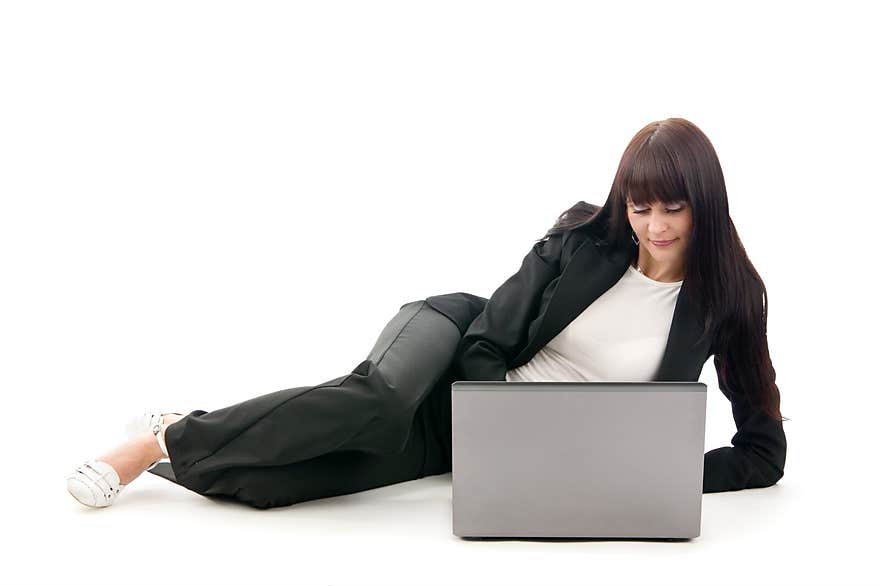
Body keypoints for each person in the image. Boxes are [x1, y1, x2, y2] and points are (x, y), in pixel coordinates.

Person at [67, 117, 788, 510]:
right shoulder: (582, 236)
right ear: (622, 202)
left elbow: (763, 452)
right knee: (377, 402)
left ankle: (176, 430)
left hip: (483, 447)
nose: (656, 225)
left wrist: (661, 473)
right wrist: (496, 413)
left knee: (274, 484)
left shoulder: (731, 299)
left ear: (705, 202)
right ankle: (156, 443)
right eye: (641, 206)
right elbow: (486, 337)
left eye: (675, 207)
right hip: (452, 349)